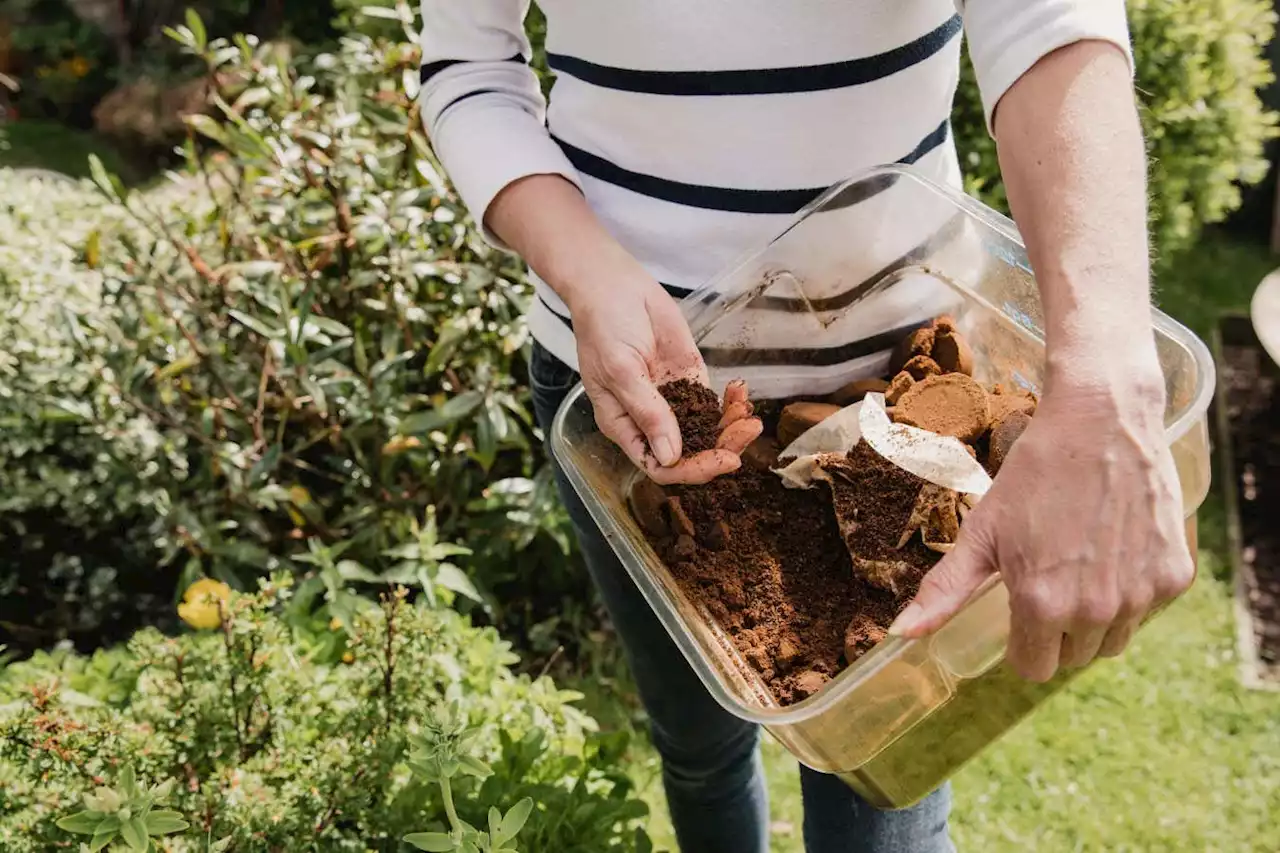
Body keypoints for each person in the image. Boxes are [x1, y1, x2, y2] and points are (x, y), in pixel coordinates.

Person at [418, 2, 1195, 851]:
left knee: (885, 792)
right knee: (701, 747)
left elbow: (1049, 20)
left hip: (906, 401)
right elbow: (468, 68)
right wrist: (587, 269)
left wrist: (1103, 387)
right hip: (635, 404)